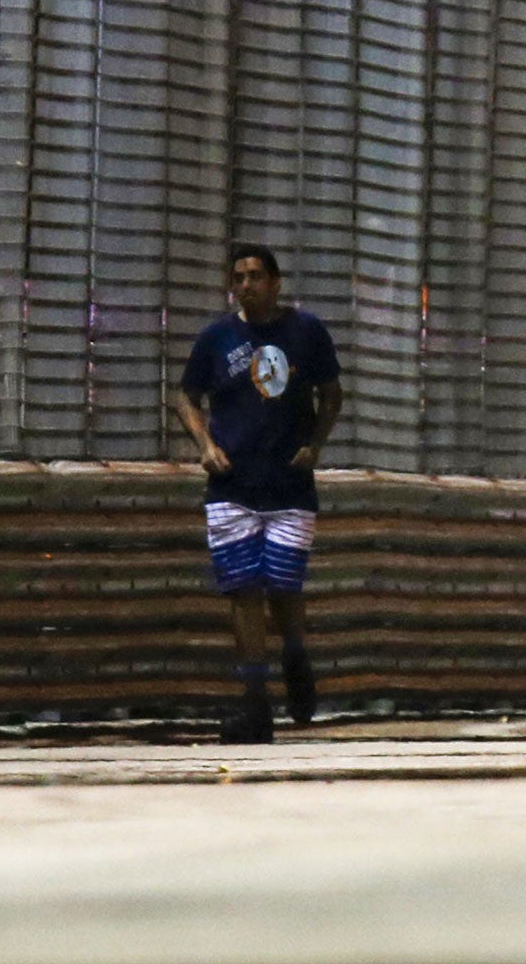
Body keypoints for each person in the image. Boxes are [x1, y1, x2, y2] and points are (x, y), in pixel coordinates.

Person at [175, 245, 343, 744]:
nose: (246, 284)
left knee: (284, 586)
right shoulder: (217, 338)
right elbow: (185, 395)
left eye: (255, 276)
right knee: (243, 590)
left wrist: (316, 445)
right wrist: (204, 444)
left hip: (289, 483)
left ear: (275, 282)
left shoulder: (306, 332)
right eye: (238, 277)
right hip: (232, 484)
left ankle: (295, 656)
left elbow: (331, 393)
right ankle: (255, 704)